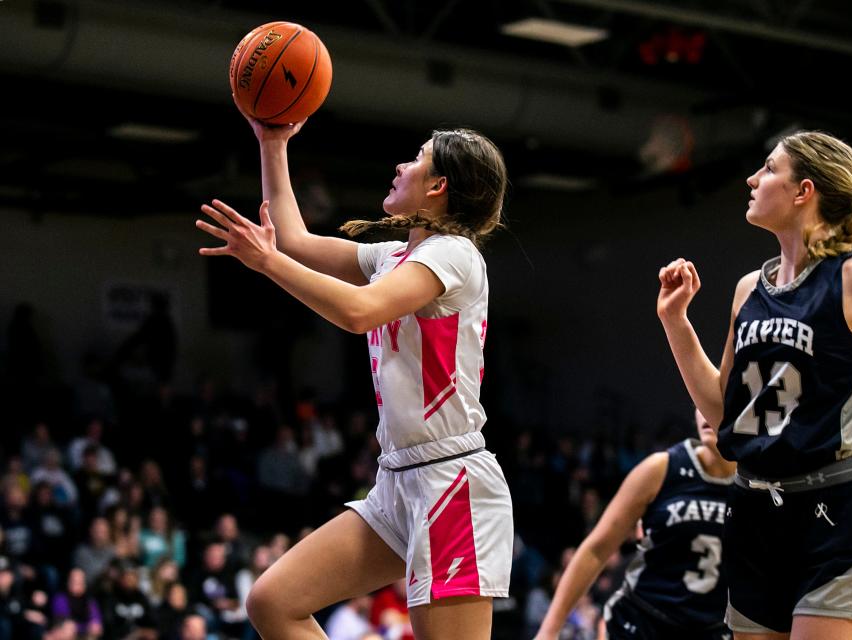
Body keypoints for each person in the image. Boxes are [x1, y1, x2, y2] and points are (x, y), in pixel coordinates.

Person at [195, 109, 513, 640]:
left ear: (438, 187)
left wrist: (267, 263)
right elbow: (294, 240)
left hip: (451, 482)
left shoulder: (454, 255)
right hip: (398, 482)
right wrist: (273, 143)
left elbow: (358, 312)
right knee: (273, 602)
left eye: (416, 160)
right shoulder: (392, 256)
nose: (400, 165)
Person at [656, 130, 852, 639]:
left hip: (836, 511)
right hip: (754, 512)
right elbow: (723, 412)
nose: (752, 179)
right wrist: (676, 323)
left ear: (804, 191)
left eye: (769, 168)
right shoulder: (748, 289)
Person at [534, 411, 735, 640]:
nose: (706, 412)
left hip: (713, 629)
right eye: (700, 402)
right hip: (641, 622)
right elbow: (596, 549)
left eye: (719, 396)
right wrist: (549, 631)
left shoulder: (757, 484)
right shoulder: (661, 468)